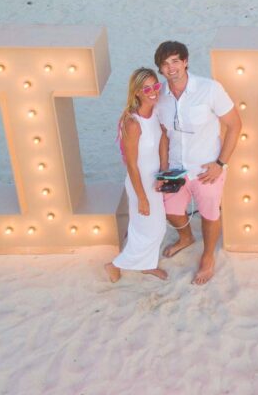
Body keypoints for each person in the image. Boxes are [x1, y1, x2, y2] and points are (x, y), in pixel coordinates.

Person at [154, 41, 242, 285]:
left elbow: (235, 125)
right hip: (175, 169)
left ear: (185, 62)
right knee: (171, 211)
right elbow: (163, 134)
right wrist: (163, 170)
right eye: (165, 64)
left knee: (209, 214)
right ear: (160, 69)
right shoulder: (159, 96)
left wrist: (220, 163)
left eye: (175, 61)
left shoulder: (210, 89)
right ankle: (186, 238)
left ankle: (208, 255)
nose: (171, 68)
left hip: (206, 168)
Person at [104, 68, 169, 283]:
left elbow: (162, 140)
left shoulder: (156, 111)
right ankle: (114, 264)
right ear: (137, 92)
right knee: (148, 229)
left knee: (156, 227)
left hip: (155, 179)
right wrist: (141, 196)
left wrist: (164, 172)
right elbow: (131, 165)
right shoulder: (132, 123)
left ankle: (147, 265)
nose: (153, 91)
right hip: (139, 182)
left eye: (156, 86)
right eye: (147, 88)